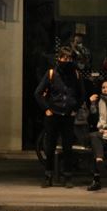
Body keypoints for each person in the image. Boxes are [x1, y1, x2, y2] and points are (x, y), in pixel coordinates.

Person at [34, 46, 86, 188]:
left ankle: (67, 177)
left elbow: (82, 94)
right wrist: (47, 109)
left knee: (68, 147)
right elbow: (37, 93)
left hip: (68, 116)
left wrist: (75, 108)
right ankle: (48, 176)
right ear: (59, 59)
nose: (66, 61)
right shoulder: (51, 73)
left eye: (69, 58)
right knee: (49, 146)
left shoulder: (76, 74)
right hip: (53, 115)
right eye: (64, 58)